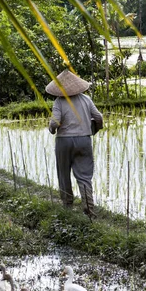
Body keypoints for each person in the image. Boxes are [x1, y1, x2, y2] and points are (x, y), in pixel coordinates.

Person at [47, 70, 103, 216]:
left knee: (63, 173)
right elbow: (98, 116)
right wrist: (94, 129)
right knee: (84, 175)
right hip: (84, 140)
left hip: (64, 141)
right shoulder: (86, 99)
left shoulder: (59, 101)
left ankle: (67, 205)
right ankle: (89, 208)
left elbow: (55, 122)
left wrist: (51, 129)